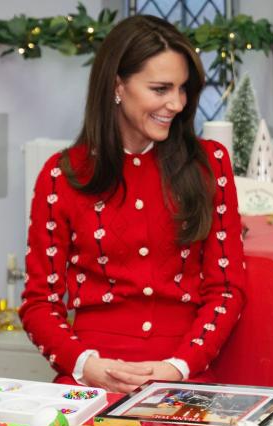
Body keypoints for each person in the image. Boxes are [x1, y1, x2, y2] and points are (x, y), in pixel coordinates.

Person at [20, 15, 247, 394]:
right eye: (160, 89)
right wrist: (86, 365)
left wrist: (177, 366)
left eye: (183, 89)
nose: (176, 103)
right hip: (91, 377)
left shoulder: (209, 164)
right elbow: (39, 302)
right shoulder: (63, 175)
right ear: (117, 87)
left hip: (184, 373)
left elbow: (227, 290)